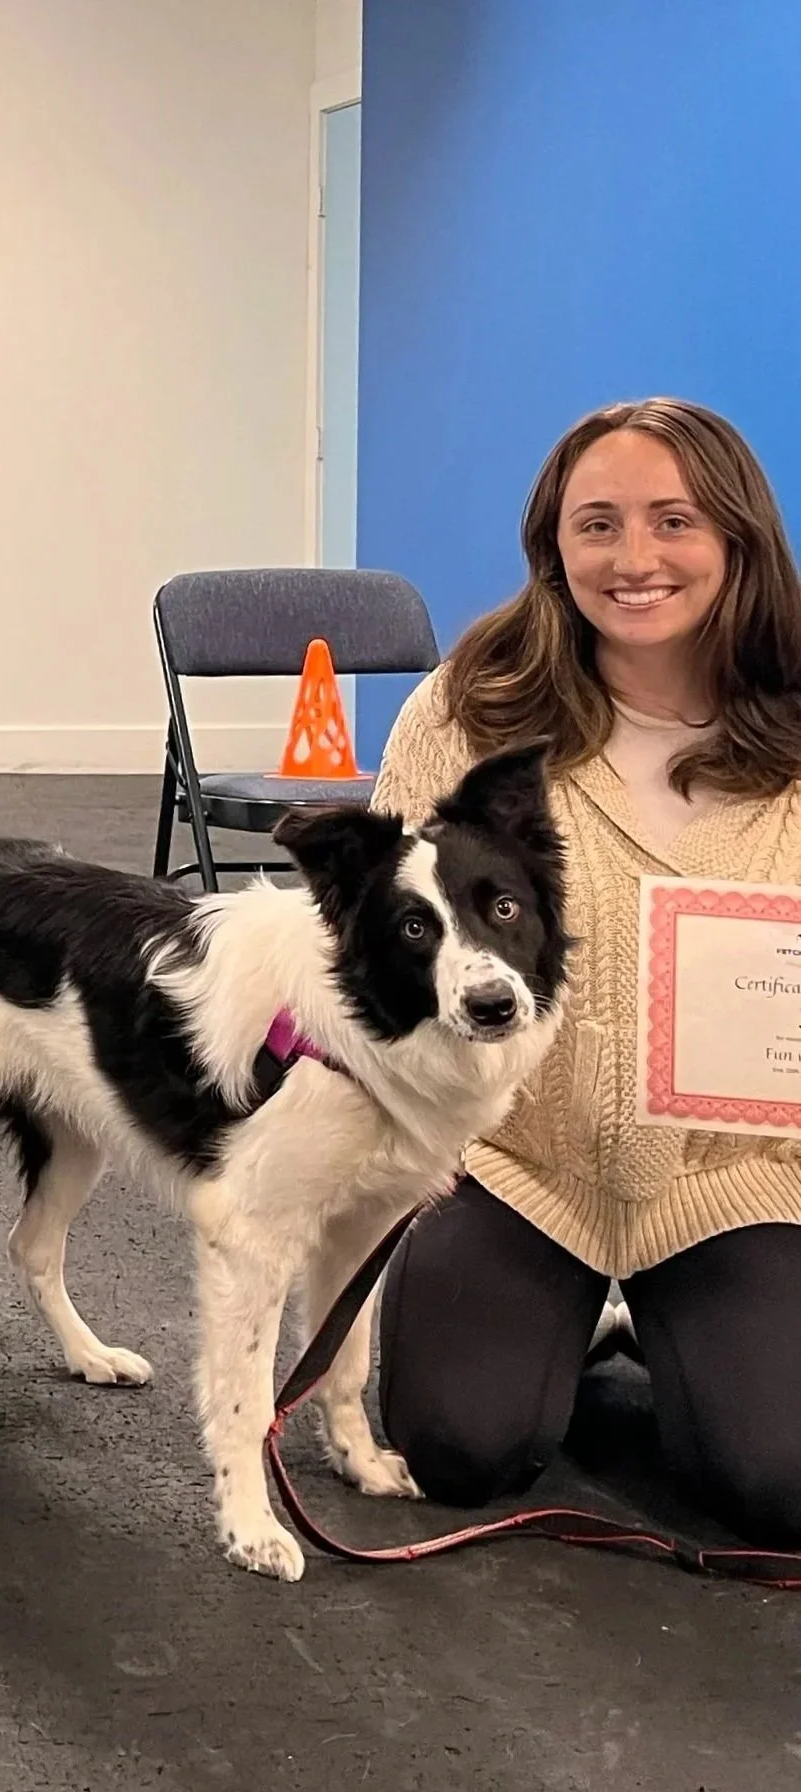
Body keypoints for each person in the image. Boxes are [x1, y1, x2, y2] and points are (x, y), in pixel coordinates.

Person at [371, 397, 801, 1548]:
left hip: (735, 1176)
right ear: (551, 546)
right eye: (595, 523)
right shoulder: (470, 708)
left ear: (736, 539)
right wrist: (419, 1135)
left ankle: (650, 1327)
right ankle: (581, 1319)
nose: (633, 558)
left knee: (778, 1482)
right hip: (513, 1161)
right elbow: (378, 945)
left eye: (673, 521)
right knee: (455, 1447)